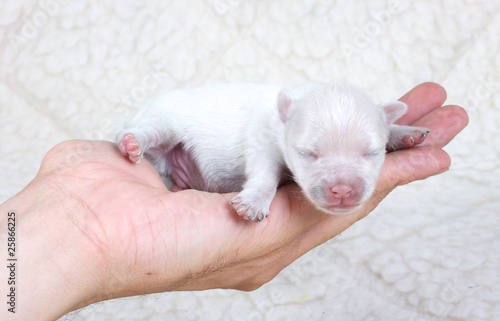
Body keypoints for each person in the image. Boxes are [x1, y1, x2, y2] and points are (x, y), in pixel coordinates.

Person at [0, 83, 468, 321]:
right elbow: (265, 145)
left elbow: (356, 132)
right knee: (161, 119)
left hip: (185, 182)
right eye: (309, 155)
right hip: (178, 144)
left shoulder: (340, 115)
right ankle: (140, 136)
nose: (341, 186)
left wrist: (390, 137)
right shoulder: (281, 114)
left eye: (369, 153)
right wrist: (261, 191)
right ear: (288, 125)